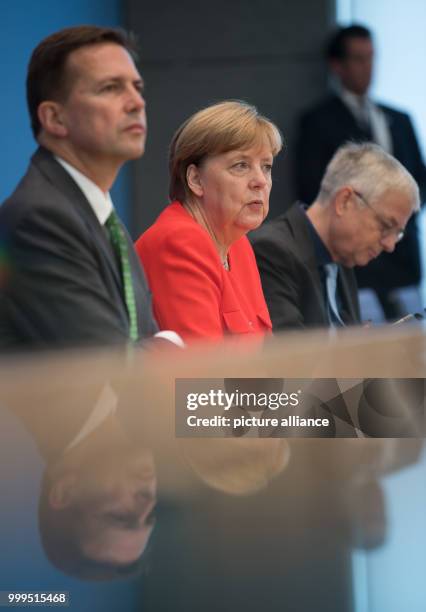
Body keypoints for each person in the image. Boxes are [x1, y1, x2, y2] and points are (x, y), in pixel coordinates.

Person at [0, 26, 159, 351]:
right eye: (110, 88)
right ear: (55, 118)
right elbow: (110, 367)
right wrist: (167, 347)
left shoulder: (103, 220)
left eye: (137, 87)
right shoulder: (38, 219)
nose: (136, 102)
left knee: (283, 399)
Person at [295, 24, 426, 320]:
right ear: (337, 66)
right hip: (356, 262)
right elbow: (313, 189)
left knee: (413, 345)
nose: (368, 67)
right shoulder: (318, 122)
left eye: (371, 57)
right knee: (365, 347)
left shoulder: (399, 119)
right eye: (358, 59)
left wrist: (396, 223)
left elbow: (420, 179)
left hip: (404, 259)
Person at [135, 101, 282, 342]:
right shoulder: (179, 243)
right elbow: (202, 375)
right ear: (195, 180)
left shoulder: (238, 244)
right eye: (241, 165)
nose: (261, 181)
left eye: (266, 167)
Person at [250, 143, 419, 330]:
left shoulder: (343, 255)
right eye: (386, 226)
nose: (390, 245)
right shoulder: (271, 251)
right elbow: (291, 355)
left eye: (398, 233)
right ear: (344, 201)